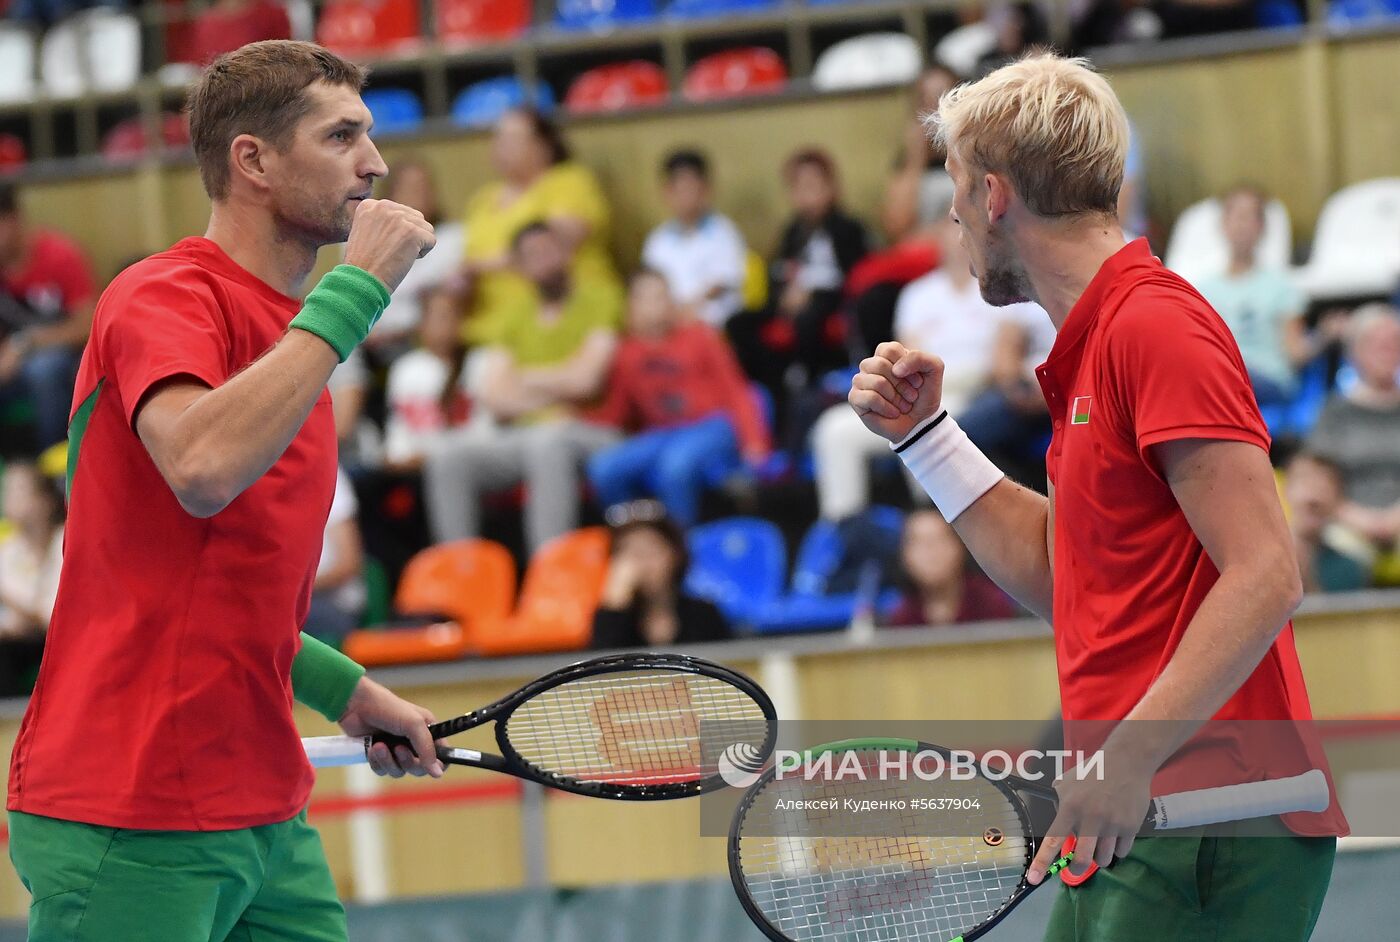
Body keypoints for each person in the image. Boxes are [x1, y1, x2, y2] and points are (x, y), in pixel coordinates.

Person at [849, 53, 1344, 941]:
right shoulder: (1095, 340)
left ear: (995, 196)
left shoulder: (1155, 325)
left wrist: (1127, 756)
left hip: (1210, 815)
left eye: (955, 188)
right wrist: (928, 439)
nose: (951, 216)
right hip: (1133, 811)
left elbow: (1268, 572)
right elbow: (1065, 575)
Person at [7, 40, 446, 942]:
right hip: (132, 804)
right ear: (253, 160)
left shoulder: (296, 343)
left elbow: (218, 583)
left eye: (370, 136)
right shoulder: (159, 294)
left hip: (263, 810)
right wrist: (358, 288)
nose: (376, 163)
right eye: (342, 137)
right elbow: (203, 470)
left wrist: (347, 691)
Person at [812, 215, 1052, 521]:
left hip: (977, 388)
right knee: (833, 431)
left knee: (923, 426)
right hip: (925, 384)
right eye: (951, 230)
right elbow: (904, 356)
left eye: (965, 228)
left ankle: (937, 527)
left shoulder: (1002, 288)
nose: (958, 239)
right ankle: (845, 535)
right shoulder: (917, 295)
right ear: (937, 238)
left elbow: (1005, 358)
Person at [423, 222, 621, 553]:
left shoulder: (600, 297)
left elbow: (587, 380)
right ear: (520, 266)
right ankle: (459, 571)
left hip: (594, 429)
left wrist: (526, 378)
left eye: (549, 249)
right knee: (448, 456)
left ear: (566, 251)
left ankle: (549, 570)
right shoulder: (516, 316)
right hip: (526, 435)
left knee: (548, 443)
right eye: (532, 255)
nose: (544, 260)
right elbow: (496, 397)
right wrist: (561, 379)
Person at [586, 269, 769, 527]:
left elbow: (736, 391)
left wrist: (754, 441)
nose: (656, 306)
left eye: (661, 296)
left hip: (712, 425)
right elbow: (618, 411)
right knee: (604, 468)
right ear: (631, 306)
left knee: (674, 468)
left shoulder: (700, 336)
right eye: (646, 298)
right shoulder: (626, 352)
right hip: (661, 433)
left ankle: (679, 549)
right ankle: (633, 539)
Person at [459, 107, 619, 344]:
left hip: (564, 314)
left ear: (544, 145)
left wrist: (477, 266)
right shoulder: (482, 200)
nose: (500, 145)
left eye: (512, 138)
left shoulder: (569, 181)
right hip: (494, 323)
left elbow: (550, 247)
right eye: (498, 137)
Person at [729, 149, 870, 392]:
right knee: (739, 322)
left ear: (831, 187)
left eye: (815, 185)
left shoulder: (848, 228)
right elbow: (778, 270)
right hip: (791, 298)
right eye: (800, 187)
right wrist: (785, 294)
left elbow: (857, 276)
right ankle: (767, 382)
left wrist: (811, 293)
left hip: (831, 297)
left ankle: (806, 377)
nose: (808, 194)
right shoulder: (793, 231)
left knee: (810, 315)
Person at [1195, 185, 1344, 408]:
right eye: (1236, 216)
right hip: (1220, 380)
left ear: (1262, 227)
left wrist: (1323, 335)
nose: (1242, 225)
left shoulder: (1281, 287)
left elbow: (1295, 351)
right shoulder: (1203, 289)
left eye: (1250, 217)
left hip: (1268, 381)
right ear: (1223, 225)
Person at [0, 181, 99, 449]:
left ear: (14, 219)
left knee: (44, 369)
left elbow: (88, 324)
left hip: (65, 359)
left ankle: (56, 466)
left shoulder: (59, 256)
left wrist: (24, 344)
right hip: (12, 367)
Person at [1306, 303, 1400, 562]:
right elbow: (1315, 479)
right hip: (1345, 524)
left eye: (1394, 342)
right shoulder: (1333, 412)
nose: (1387, 350)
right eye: (1376, 343)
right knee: (1338, 554)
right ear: (1354, 351)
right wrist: (1356, 517)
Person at [591, 500, 731, 648]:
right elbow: (602, 665)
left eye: (650, 551)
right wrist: (614, 605)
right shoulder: (612, 620)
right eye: (631, 553)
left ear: (675, 554)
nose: (642, 564)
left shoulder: (703, 614)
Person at [382, 283, 490, 473]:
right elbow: (399, 426)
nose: (444, 325)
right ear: (421, 324)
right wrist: (397, 455)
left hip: (469, 463)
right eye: (437, 317)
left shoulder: (480, 362)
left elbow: (485, 426)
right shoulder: (406, 369)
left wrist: (438, 455)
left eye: (450, 316)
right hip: (415, 465)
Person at [370, 156, 467, 357]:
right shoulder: (368, 239)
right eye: (409, 187)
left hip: (418, 336)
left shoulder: (453, 237)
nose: (418, 194)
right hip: (368, 336)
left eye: (424, 187)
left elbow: (442, 297)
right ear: (390, 195)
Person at [640, 149, 747, 329]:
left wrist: (688, 309)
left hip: (715, 320)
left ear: (705, 189)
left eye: (691, 188)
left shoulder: (724, 231)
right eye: (678, 189)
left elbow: (722, 283)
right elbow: (649, 284)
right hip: (668, 318)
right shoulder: (657, 240)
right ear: (667, 192)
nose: (685, 197)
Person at [882, 509, 1017, 627]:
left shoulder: (992, 605)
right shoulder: (901, 617)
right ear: (904, 556)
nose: (930, 553)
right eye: (919, 543)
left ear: (960, 546)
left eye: (938, 540)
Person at [0, 462, 63, 695]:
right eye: (7, 490)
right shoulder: (8, 551)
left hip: (64, 642)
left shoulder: (66, 542)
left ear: (45, 501)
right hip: (20, 648)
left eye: (19, 490)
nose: (9, 499)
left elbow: (50, 616)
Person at [879, 64, 959, 245]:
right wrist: (916, 157)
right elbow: (896, 228)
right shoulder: (909, 163)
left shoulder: (974, 157)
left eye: (942, 98)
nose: (934, 112)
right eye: (926, 101)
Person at [1282, 451, 1370, 593]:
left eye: (1324, 485)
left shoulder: (1349, 569)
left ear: (1339, 498)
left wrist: (1306, 577)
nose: (1313, 495)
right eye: (1304, 481)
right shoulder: (1261, 557)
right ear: (1286, 489)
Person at [303, 467, 367, 644]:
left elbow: (348, 565)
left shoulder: (327, 472)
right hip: (285, 601)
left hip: (331, 603)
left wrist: (284, 591)